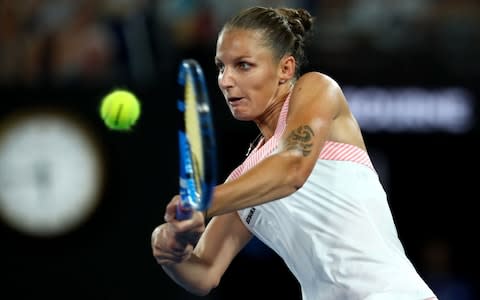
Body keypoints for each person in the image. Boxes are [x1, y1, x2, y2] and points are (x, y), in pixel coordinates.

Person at [151, 6, 438, 300]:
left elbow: (292, 169)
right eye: (221, 67)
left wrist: (202, 202)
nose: (225, 80)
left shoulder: (316, 88)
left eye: (243, 65)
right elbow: (205, 273)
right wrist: (171, 252)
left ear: (285, 69)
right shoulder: (246, 179)